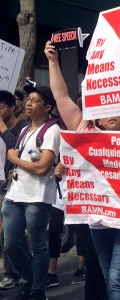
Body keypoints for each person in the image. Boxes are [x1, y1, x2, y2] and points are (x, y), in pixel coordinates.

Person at [45, 39, 120, 299]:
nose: (109, 112)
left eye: (115, 107)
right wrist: (53, 62)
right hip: (97, 219)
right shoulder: (83, 131)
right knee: (109, 278)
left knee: (118, 279)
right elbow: (61, 96)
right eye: (102, 106)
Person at [2, 84, 60, 300]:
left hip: (37, 196)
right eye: (28, 99)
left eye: (35, 100)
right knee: (10, 244)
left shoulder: (52, 130)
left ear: (47, 107)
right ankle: (31, 279)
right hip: (14, 194)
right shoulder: (25, 129)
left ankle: (37, 290)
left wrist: (15, 159)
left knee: (37, 244)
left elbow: (43, 167)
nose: (28, 102)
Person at [0, 90, 29, 289]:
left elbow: (15, 148)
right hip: (3, 186)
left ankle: (27, 273)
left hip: (18, 186)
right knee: (5, 235)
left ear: (13, 106)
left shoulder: (24, 127)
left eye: (1, 107)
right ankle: (13, 272)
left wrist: (2, 127)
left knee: (15, 234)